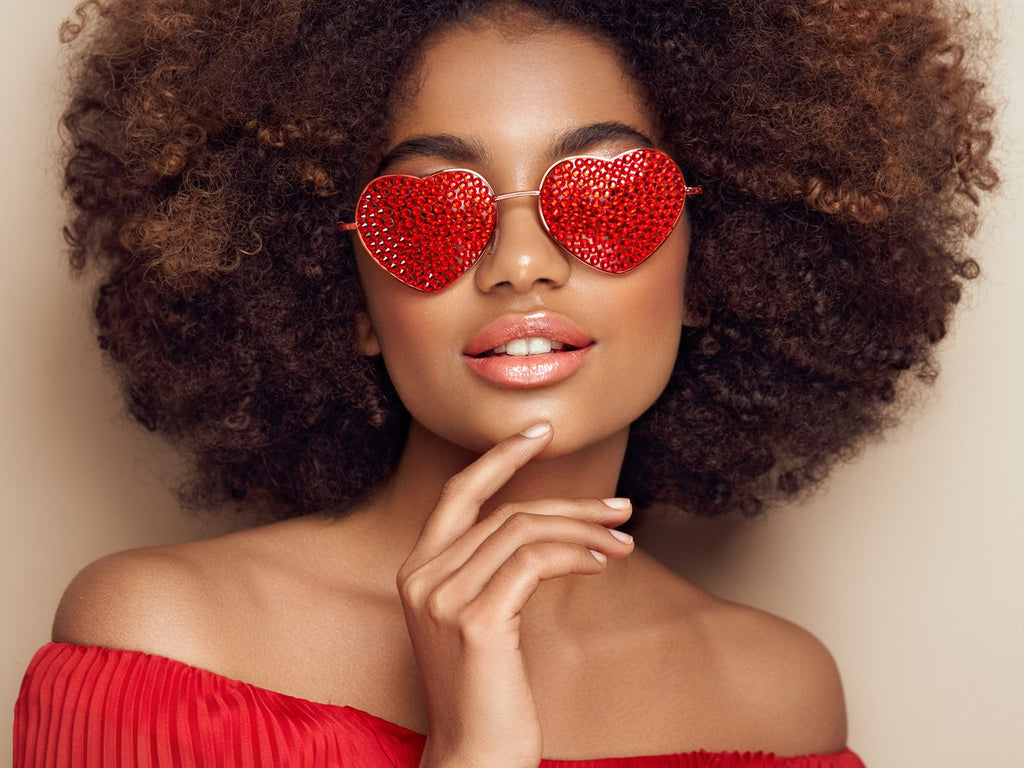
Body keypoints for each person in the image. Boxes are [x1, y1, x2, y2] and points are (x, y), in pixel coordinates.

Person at [14, 0, 996, 766]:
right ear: (348, 297)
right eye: (431, 213)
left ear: (712, 267)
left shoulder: (774, 700)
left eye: (609, 195)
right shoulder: (163, 644)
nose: (520, 263)